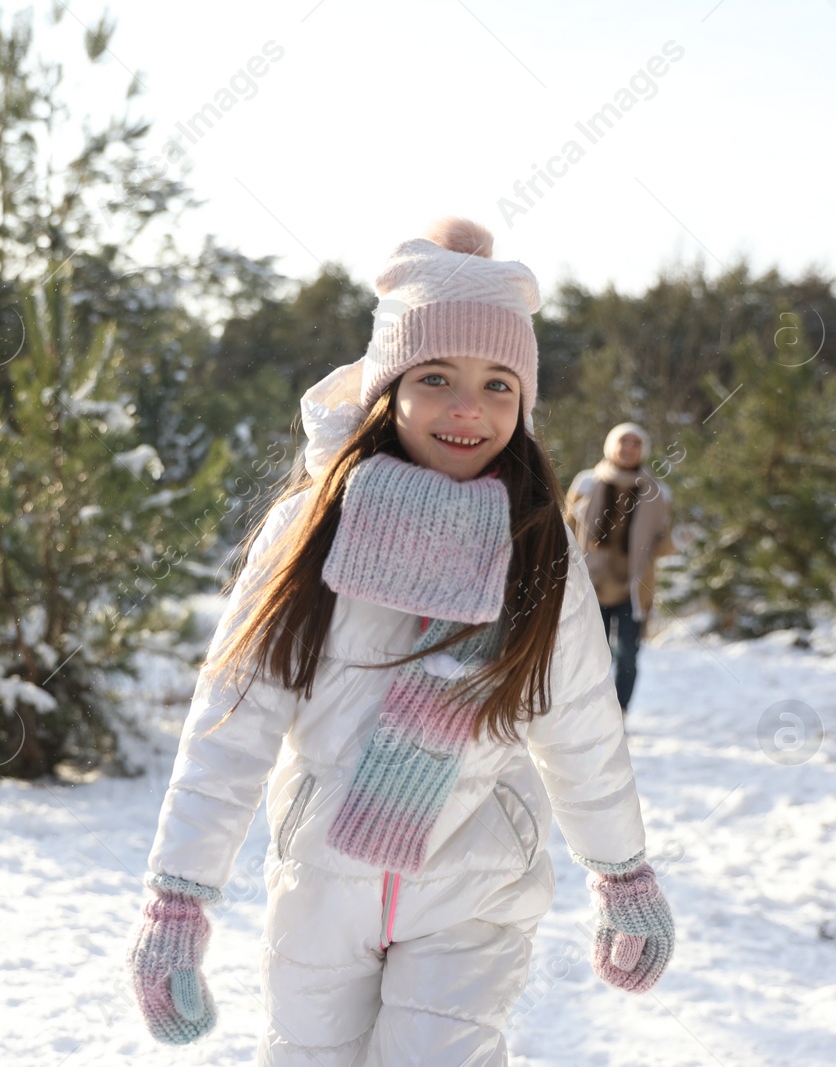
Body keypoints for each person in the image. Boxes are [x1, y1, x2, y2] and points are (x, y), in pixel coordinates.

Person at [125, 218, 674, 1065]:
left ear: (525, 403)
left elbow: (578, 718)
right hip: (323, 872)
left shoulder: (534, 540)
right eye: (437, 377)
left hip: (478, 876)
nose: (469, 407)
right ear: (387, 387)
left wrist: (623, 869)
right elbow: (233, 718)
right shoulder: (310, 528)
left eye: (499, 384)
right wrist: (179, 897)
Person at [564, 424, 677, 712]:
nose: (628, 448)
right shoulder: (587, 483)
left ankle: (619, 712)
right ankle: (590, 713)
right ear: (610, 445)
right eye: (622, 441)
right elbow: (566, 529)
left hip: (633, 588)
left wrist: (677, 541)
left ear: (643, 450)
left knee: (628, 656)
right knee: (591, 654)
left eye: (635, 443)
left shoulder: (659, 492)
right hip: (593, 585)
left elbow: (662, 543)